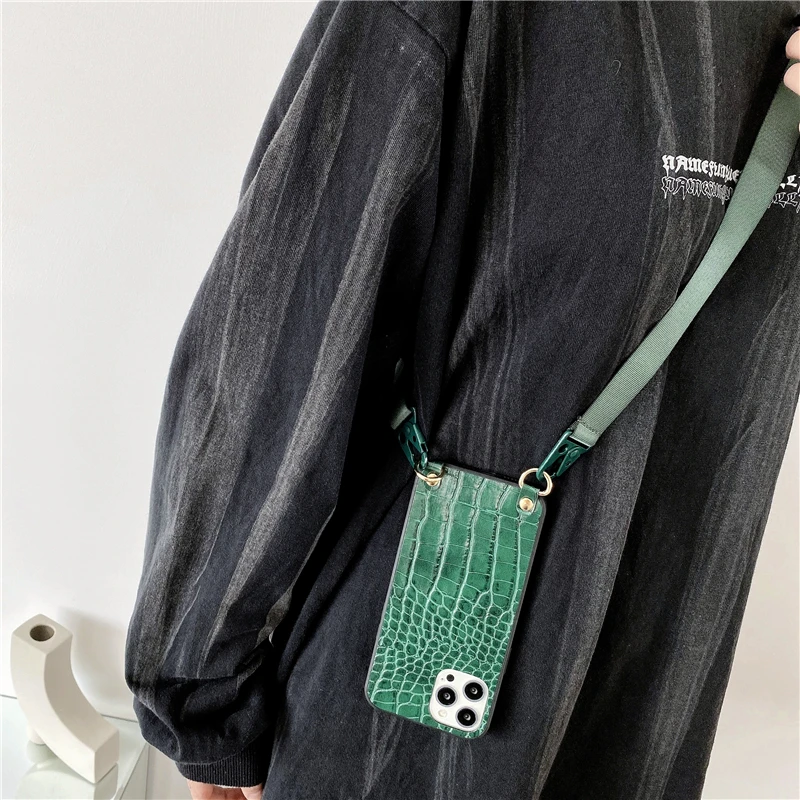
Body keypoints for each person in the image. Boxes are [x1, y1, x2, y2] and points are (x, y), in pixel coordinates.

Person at [125, 4, 800, 799]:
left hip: (644, 718)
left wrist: (198, 694)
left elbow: (285, 319)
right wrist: (202, 694)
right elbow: (296, 315)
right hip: (400, 723)